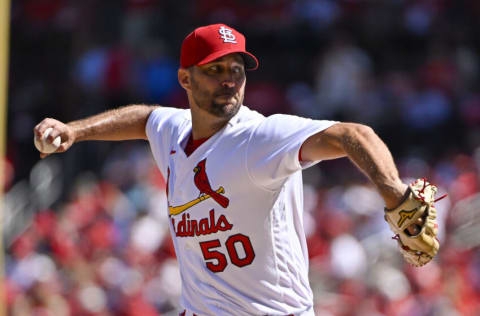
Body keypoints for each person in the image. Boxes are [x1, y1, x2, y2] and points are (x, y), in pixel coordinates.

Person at [34, 24, 412, 316]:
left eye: (237, 69)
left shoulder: (259, 138)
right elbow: (145, 118)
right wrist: (75, 131)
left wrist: (396, 196)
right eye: (215, 69)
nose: (230, 79)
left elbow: (353, 134)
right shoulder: (173, 130)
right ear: (185, 79)